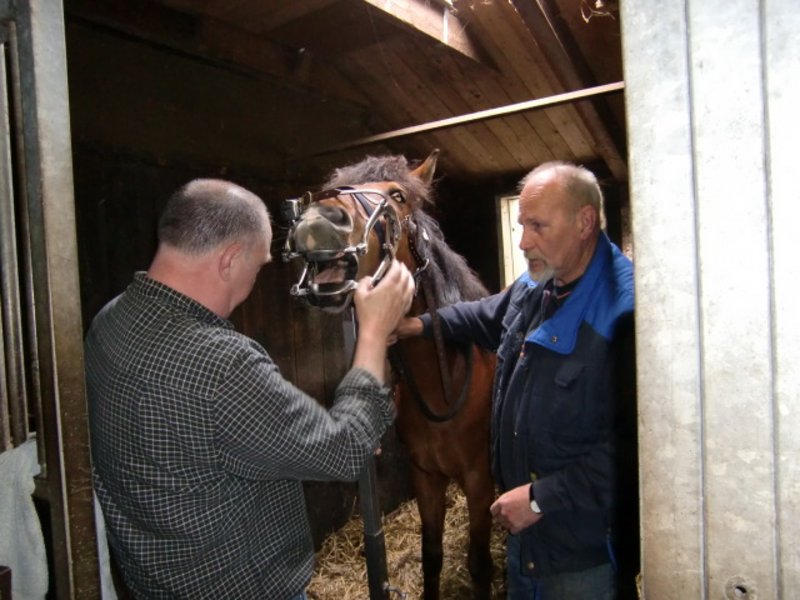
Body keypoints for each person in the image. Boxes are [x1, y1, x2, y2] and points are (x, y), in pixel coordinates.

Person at [84, 179, 415, 599]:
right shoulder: (220, 363)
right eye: (257, 266)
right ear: (229, 259)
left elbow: (205, 441)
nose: (255, 279)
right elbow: (345, 451)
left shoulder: (110, 320)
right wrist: (374, 332)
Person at [396, 161, 638, 599]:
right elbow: (483, 315)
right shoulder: (535, 286)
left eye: (538, 226)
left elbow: (636, 453)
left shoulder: (625, 313)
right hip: (523, 535)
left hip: (581, 551)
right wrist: (417, 326)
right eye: (522, 225)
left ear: (585, 222)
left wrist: (541, 498)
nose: (524, 242)